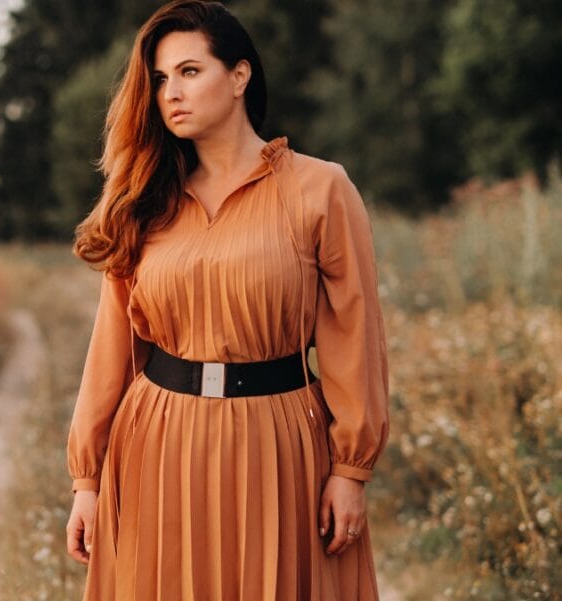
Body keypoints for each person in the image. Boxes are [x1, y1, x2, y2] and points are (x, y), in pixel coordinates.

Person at [63, 1, 391, 600]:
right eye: (160, 79)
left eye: (189, 71)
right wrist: (87, 479)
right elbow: (111, 347)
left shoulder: (321, 189)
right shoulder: (144, 200)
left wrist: (350, 470)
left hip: (281, 445)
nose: (170, 93)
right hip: (158, 444)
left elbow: (354, 335)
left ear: (239, 76)